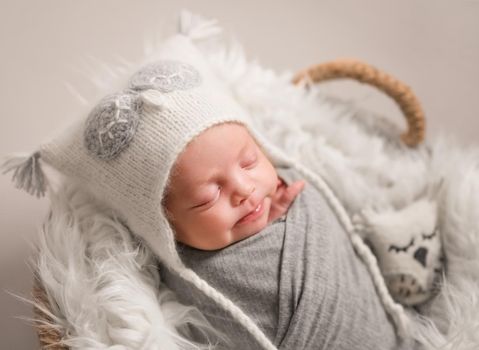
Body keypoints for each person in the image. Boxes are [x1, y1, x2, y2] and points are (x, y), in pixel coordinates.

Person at [1, 12, 413, 349]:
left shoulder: (293, 192)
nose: (242, 189)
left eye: (250, 161)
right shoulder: (190, 281)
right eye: (207, 196)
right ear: (165, 227)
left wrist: (289, 217)